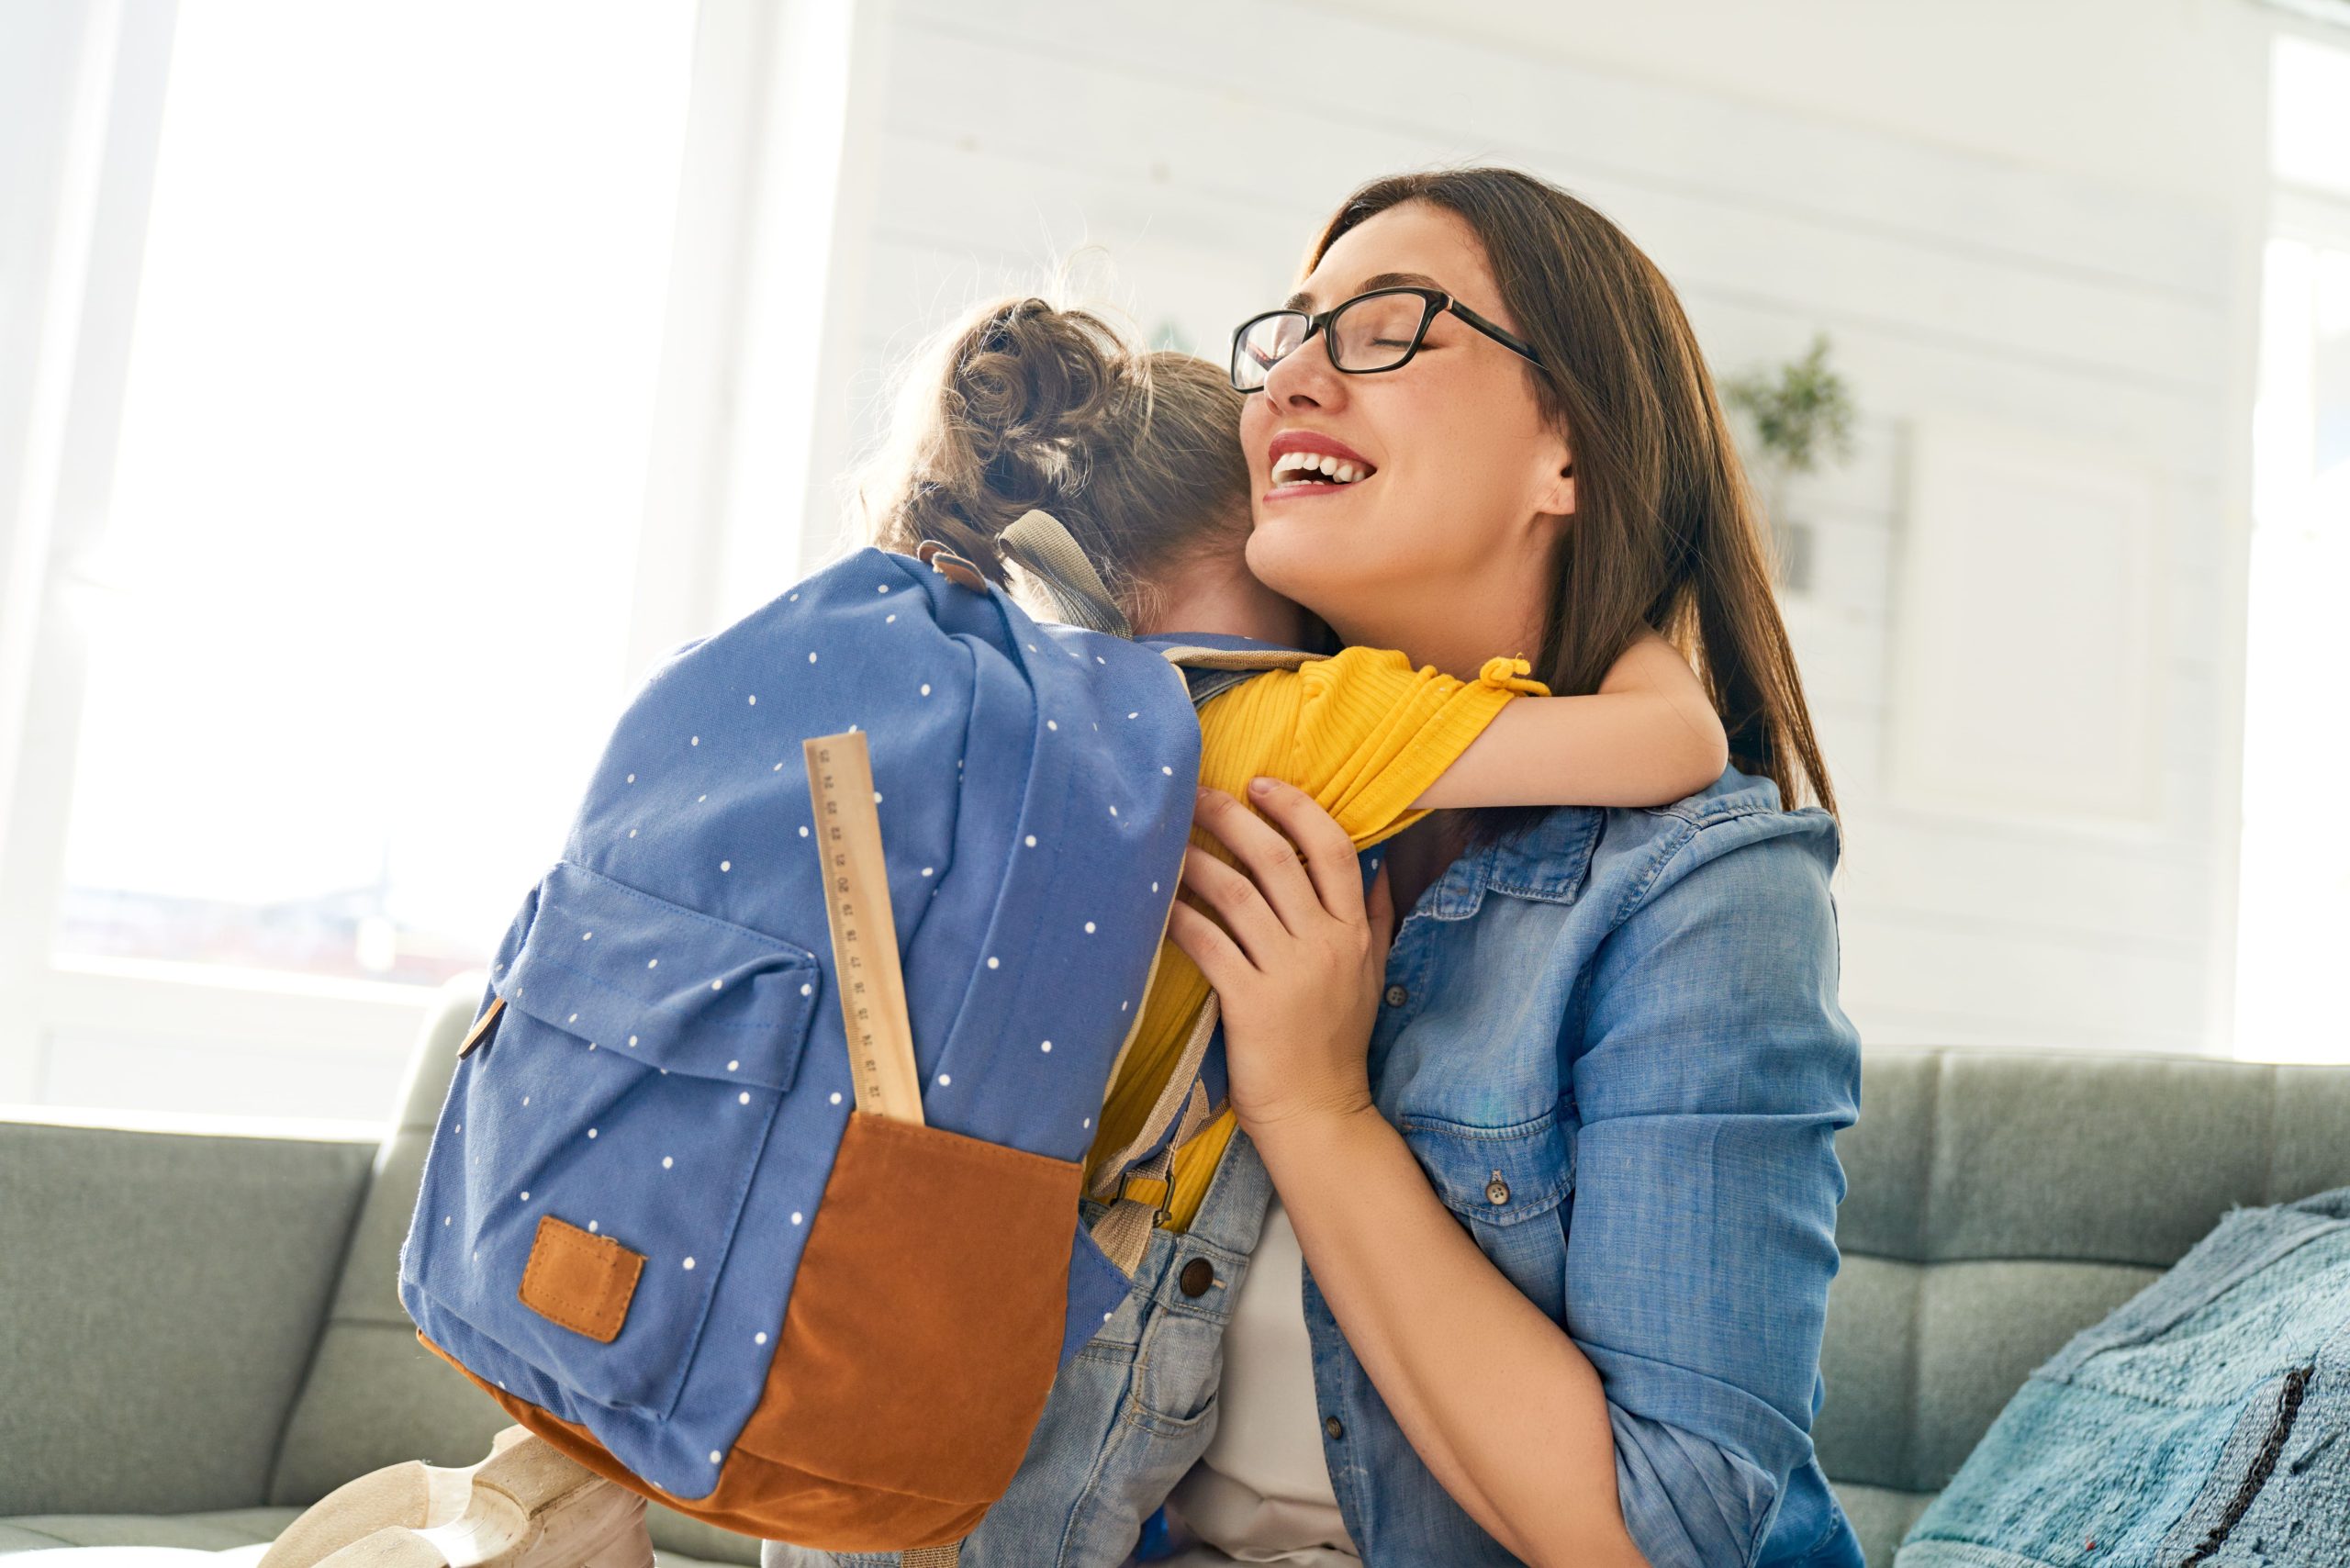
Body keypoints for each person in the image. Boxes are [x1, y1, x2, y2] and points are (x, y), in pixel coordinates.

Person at [765, 162, 1863, 1568]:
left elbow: (1663, 1537)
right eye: (1286, 337)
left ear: (1571, 454)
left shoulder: (1698, 894)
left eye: (1387, 324)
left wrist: (1314, 1106)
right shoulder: (1155, 789)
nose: (1288, 382)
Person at [850, 289, 1737, 1240]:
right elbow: (1674, 742)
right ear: (1254, 535)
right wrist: (1607, 591)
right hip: (1144, 1268)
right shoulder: (1290, 722)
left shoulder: (1043, 740)